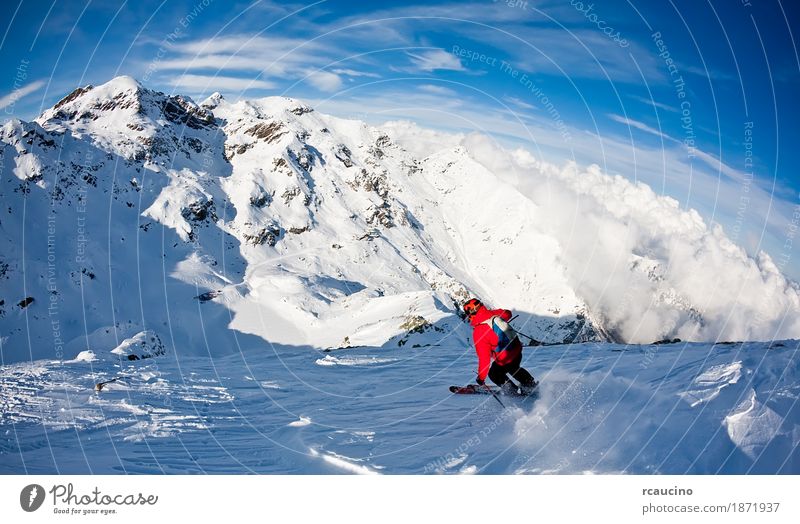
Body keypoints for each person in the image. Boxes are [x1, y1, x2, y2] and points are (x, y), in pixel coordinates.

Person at [463, 298, 536, 394]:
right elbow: (508, 313)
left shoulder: (479, 331)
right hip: (517, 349)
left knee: (494, 373)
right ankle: (530, 384)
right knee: (514, 368)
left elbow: (484, 358)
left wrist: (481, 378)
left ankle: (511, 391)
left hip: (505, 357)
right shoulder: (494, 314)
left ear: (470, 313)